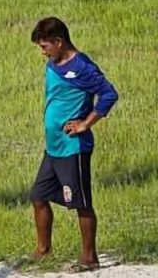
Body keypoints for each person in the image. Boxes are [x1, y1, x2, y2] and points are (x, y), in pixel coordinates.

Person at [28, 17, 118, 273]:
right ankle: (43, 250)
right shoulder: (53, 64)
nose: (42, 52)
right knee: (38, 196)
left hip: (73, 148)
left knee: (81, 203)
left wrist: (86, 123)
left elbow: (109, 94)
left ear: (59, 41)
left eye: (45, 46)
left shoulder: (83, 67)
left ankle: (89, 258)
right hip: (53, 147)